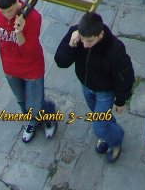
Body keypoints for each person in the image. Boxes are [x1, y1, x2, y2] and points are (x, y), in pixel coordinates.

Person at [54, 12, 134, 164]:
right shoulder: (75, 34)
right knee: (101, 118)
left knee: (99, 127)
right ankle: (109, 132)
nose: (84, 45)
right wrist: (71, 45)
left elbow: (125, 76)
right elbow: (61, 62)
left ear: (100, 34)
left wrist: (121, 100)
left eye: (89, 41)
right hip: (86, 86)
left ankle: (115, 140)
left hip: (105, 92)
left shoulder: (115, 49)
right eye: (82, 40)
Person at [0, 0, 57, 143]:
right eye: (1, 11)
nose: (6, 15)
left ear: (17, 2)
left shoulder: (33, 17)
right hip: (10, 68)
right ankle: (33, 121)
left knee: (35, 105)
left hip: (32, 69)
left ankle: (49, 115)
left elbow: (29, 52)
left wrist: (19, 33)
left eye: (9, 11)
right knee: (23, 102)